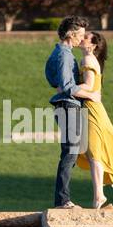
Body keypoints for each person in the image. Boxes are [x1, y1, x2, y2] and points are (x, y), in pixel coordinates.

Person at [44, 16, 102, 209]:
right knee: (69, 153)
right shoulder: (64, 55)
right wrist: (91, 95)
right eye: (81, 35)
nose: (82, 38)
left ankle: (63, 199)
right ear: (71, 34)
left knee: (72, 152)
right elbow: (68, 87)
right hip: (68, 106)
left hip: (67, 105)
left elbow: (52, 77)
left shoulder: (60, 52)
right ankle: (62, 201)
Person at [75, 30, 113, 209]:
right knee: (92, 154)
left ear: (93, 45)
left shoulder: (88, 60)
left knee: (95, 154)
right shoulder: (89, 60)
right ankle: (99, 196)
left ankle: (99, 196)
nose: (82, 38)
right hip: (91, 108)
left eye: (86, 37)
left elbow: (89, 86)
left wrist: (66, 88)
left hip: (92, 110)